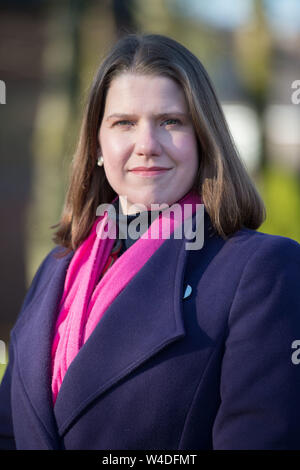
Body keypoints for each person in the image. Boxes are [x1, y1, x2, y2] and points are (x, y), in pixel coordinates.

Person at [1, 33, 300, 451]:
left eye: (171, 122)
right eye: (124, 123)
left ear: (203, 138)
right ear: (98, 146)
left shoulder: (262, 269)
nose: (146, 145)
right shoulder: (56, 269)